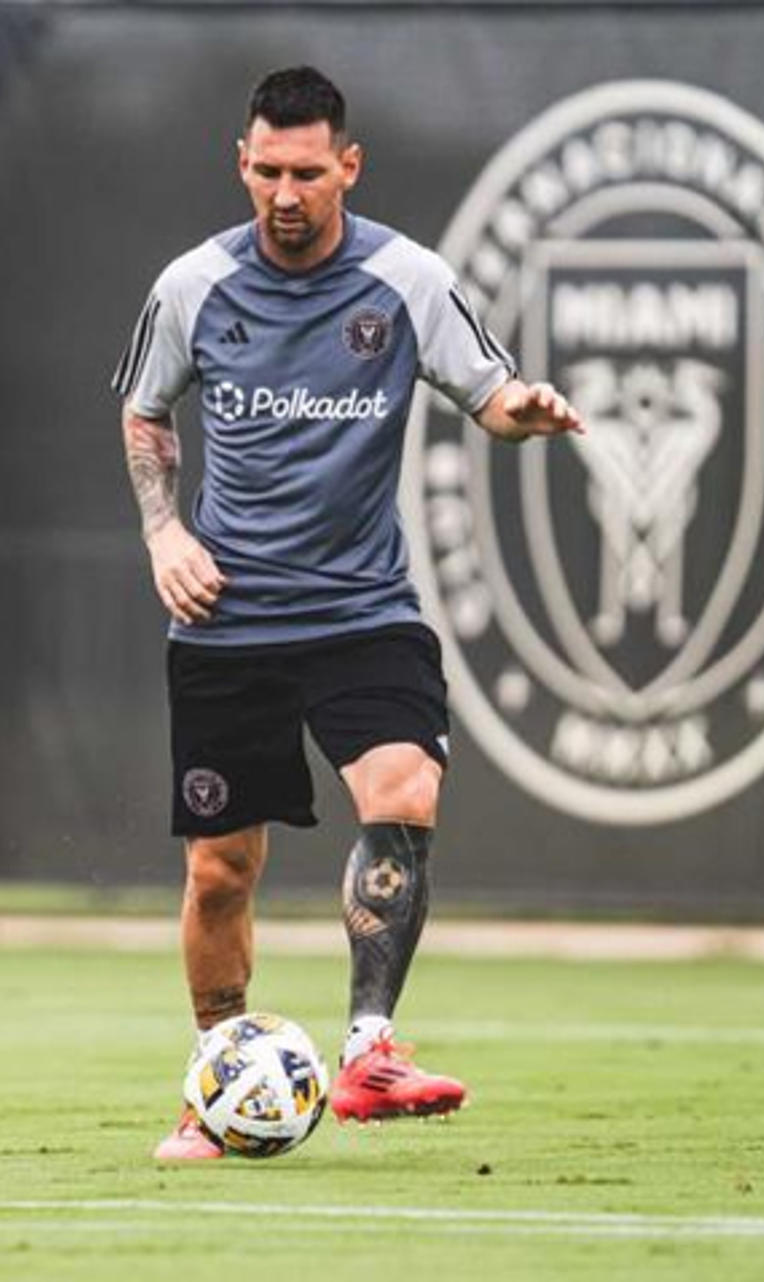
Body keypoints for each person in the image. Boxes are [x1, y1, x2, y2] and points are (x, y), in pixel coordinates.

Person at [112, 66, 582, 1161]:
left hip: (363, 610)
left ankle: (371, 1046)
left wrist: (528, 410)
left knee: (406, 790)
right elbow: (144, 409)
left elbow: (490, 391)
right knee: (221, 870)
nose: (285, 192)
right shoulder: (192, 287)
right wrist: (163, 532)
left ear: (348, 168)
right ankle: (216, 1084)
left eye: (308, 173)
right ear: (242, 163)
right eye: (267, 170)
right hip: (228, 621)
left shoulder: (407, 278)